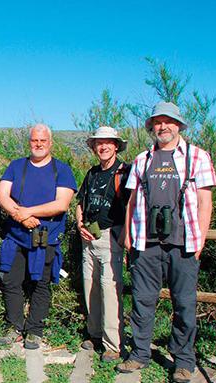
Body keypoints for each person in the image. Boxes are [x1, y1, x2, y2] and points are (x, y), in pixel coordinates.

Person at [117, 102, 216, 383]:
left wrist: (200, 242)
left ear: (179, 126)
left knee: (184, 303)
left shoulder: (197, 157)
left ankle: (184, 361)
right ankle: (139, 354)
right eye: (158, 122)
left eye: (168, 122)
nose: (163, 127)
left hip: (183, 242)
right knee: (142, 300)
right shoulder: (142, 160)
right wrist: (128, 235)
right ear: (151, 127)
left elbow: (205, 202)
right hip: (145, 242)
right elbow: (133, 200)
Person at [0, 124, 77, 349]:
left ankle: (34, 330)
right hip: (16, 236)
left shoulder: (62, 170)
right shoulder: (16, 166)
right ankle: (15, 327)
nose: (38, 144)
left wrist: (28, 212)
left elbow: (61, 204)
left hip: (45, 237)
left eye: (42, 141)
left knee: (40, 283)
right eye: (34, 140)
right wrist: (19, 217)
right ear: (29, 142)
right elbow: (2, 196)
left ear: (50, 143)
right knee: (11, 281)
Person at [76, 127, 130, 362]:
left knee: (110, 290)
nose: (103, 147)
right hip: (88, 236)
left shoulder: (124, 173)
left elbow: (132, 206)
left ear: (116, 146)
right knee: (90, 286)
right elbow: (81, 201)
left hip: (111, 237)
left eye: (108, 143)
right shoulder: (92, 173)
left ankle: (113, 344)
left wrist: (125, 236)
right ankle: (95, 333)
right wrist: (80, 224)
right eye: (99, 143)